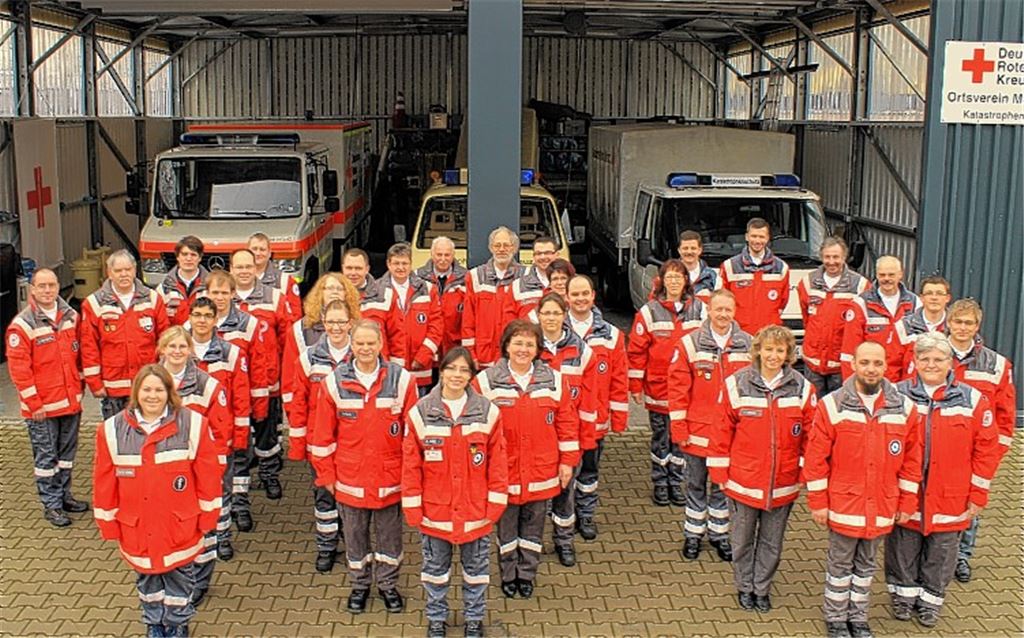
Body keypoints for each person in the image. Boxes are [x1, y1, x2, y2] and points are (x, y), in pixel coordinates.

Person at [93, 364, 223, 638]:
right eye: (146, 389)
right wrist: (107, 523)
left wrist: (208, 517)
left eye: (159, 389)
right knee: (147, 580)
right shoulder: (111, 430)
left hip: (179, 525)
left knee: (180, 579)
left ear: (169, 392)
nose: (152, 396)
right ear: (136, 392)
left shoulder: (193, 424)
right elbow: (104, 482)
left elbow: (208, 476)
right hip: (138, 527)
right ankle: (154, 624)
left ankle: (177, 625)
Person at [804, 341, 923, 638]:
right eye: (865, 362)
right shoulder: (831, 405)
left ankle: (858, 618)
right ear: (854, 364)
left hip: (882, 504)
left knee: (867, 566)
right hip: (844, 503)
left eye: (877, 363)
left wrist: (907, 501)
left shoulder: (904, 408)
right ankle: (835, 618)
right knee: (840, 565)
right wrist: (818, 500)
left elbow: (912, 460)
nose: (871, 369)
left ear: (885, 367)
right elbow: (816, 458)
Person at [887, 333, 999, 627]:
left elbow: (986, 450)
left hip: (952, 492)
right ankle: (902, 596)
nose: (931, 364)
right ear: (915, 361)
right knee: (903, 546)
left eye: (938, 359)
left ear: (951, 363)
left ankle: (930, 601)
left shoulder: (972, 399)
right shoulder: (897, 395)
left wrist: (978, 494)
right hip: (908, 490)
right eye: (924, 358)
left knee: (943, 551)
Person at [310, 320, 418, 614]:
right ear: (351, 344)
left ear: (381, 344)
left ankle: (387, 585)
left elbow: (413, 436)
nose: (366, 349)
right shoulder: (333, 382)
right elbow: (321, 436)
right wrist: (327, 476)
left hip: (389, 478)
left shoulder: (403, 380)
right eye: (360, 343)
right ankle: (359, 585)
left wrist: (410, 478)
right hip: (349, 479)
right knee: (355, 538)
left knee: (389, 539)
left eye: (371, 343)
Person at [708, 325, 815, 612]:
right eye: (768, 349)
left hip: (783, 483)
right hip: (742, 482)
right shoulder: (737, 383)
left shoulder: (803, 388)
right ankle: (744, 586)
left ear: (789, 354)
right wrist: (719, 472)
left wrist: (804, 472)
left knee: (772, 543)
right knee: (741, 541)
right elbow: (720, 432)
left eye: (780, 350)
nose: (773, 355)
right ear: (757, 350)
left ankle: (762, 588)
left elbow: (812, 436)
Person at [403, 347, 508, 638]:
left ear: (471, 376)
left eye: (464, 370)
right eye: (451, 369)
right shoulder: (421, 412)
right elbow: (411, 465)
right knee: (435, 571)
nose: (456, 375)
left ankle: (474, 619)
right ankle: (436, 618)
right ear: (442, 371)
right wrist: (413, 506)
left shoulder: (488, 412)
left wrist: (496, 503)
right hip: (435, 513)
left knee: (476, 572)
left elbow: (498, 462)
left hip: (476, 512)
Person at [475, 320, 579, 601]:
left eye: (529, 344)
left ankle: (527, 574)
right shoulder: (485, 381)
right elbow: (475, 430)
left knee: (533, 527)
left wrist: (567, 462)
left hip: (541, 469)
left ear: (538, 349)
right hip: (503, 471)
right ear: (506, 346)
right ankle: (508, 575)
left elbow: (567, 424)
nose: (523, 349)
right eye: (517, 343)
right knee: (506, 528)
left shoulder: (555, 380)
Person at [667, 289, 751, 562]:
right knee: (695, 483)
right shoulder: (690, 344)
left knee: (722, 485)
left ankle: (719, 534)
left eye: (728, 310)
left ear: (735, 311)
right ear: (709, 311)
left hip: (731, 434)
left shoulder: (748, 344)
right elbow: (678, 389)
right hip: (697, 431)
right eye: (718, 310)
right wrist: (679, 427)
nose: (723, 315)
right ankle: (693, 534)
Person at [6, 268, 88, 527]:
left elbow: (81, 356)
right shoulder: (23, 325)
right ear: (32, 289)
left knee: (65, 456)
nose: (47, 290)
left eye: (51, 285)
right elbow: (19, 371)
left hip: (69, 402)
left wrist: (80, 387)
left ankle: (64, 496)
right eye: (41, 286)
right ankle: (51, 505)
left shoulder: (72, 317)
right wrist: (34, 404)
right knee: (46, 458)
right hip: (42, 408)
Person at [157, 326, 232, 607]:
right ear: (161, 349)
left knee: (202, 525)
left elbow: (220, 428)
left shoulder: (207, 384)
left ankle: (200, 581)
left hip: (196, 468)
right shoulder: (150, 381)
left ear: (190, 351)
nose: (177, 352)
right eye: (171, 347)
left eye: (182, 347)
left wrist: (216, 465)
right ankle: (173, 575)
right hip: (161, 468)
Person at [943, 298, 1017, 583]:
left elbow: (1005, 414)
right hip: (937, 445)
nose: (963, 328)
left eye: (969, 323)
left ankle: (962, 557)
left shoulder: (996, 364)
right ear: (948, 323)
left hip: (976, 451)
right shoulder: (930, 354)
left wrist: (994, 453)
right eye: (958, 322)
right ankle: (935, 556)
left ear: (977, 326)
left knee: (971, 506)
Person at [285, 300, 357, 574]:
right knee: (324, 495)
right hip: (320, 440)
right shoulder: (309, 357)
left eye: (341, 322)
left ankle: (352, 544)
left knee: (350, 496)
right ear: (323, 324)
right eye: (331, 322)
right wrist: (299, 442)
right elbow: (298, 402)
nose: (336, 327)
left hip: (353, 441)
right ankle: (326, 546)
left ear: (350, 322)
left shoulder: (362, 353)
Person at [627, 259, 706, 506]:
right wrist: (636, 385)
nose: (674, 282)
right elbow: (637, 351)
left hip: (688, 390)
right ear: (662, 281)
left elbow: (706, 345)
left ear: (686, 281)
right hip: (658, 387)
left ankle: (676, 482)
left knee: (682, 438)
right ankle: (660, 482)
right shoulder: (649, 311)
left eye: (678, 277)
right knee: (661, 437)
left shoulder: (700, 310)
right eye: (669, 277)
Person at [200, 269, 269, 533]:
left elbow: (258, 366)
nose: (218, 298)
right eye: (214, 292)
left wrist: (258, 405)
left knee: (239, 460)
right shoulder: (192, 325)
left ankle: (240, 506)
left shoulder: (248, 323)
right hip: (205, 412)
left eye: (223, 292)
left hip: (237, 407)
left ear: (233, 294)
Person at [534, 293, 597, 567]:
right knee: (536, 497)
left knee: (565, 490)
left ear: (564, 314)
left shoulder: (582, 350)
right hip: (538, 435)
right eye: (545, 313)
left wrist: (584, 437)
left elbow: (590, 396)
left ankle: (564, 540)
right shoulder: (528, 346)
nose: (550, 318)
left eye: (555, 313)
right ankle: (532, 543)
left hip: (569, 433)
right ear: (538, 316)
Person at [565, 275, 628, 540]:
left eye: (584, 294)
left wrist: (619, 417)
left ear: (593, 296)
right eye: (574, 294)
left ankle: (586, 515)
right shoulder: (552, 331)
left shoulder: (611, 335)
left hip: (595, 418)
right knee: (565, 473)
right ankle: (564, 520)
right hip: (563, 420)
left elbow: (619, 377)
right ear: (566, 297)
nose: (580, 299)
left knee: (589, 470)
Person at [187, 297, 249, 562]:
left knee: (220, 491)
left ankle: (222, 538)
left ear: (215, 320)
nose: (201, 320)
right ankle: (195, 539)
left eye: (207, 316)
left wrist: (240, 434)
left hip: (219, 437)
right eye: (197, 314)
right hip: (185, 438)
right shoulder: (177, 349)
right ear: (189, 317)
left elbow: (241, 396)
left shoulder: (230, 352)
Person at [80, 250, 170, 419]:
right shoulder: (94, 303)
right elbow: (88, 346)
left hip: (146, 383)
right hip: (112, 386)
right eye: (118, 271)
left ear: (135, 270)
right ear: (109, 273)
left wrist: (163, 376)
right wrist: (94, 382)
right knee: (116, 437)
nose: (124, 274)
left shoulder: (152, 299)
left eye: (128, 269)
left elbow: (165, 340)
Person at [230, 249, 289, 501]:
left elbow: (287, 340)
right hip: (233, 385)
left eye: (248, 266)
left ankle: (269, 475)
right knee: (240, 436)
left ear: (256, 267)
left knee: (267, 434)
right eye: (238, 267)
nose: (244, 271)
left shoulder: (274, 297)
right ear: (231, 269)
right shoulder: (221, 297)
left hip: (268, 381)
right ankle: (240, 487)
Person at [797, 237, 871, 396]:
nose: (831, 262)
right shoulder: (807, 283)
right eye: (827, 257)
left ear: (844, 257)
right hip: (813, 363)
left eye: (836, 257)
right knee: (813, 408)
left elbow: (864, 324)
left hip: (841, 365)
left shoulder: (860, 286)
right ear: (821, 257)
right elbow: (807, 318)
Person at [280, 273, 359, 408]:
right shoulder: (301, 329)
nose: (334, 292)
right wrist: (292, 411)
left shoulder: (360, 327)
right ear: (319, 293)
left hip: (352, 409)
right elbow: (290, 375)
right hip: (315, 407)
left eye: (339, 288)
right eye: (329, 288)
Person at [375, 242, 444, 391]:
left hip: (419, 369)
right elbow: (375, 331)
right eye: (396, 263)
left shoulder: (427, 289)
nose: (401, 268)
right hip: (388, 371)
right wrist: (384, 363)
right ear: (388, 264)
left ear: (411, 264)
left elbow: (436, 327)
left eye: (404, 263)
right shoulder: (376, 291)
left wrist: (422, 357)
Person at [840, 256, 920, 382]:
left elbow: (919, 349)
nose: (886, 279)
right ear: (876, 275)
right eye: (882, 275)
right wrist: (852, 387)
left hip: (904, 381)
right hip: (871, 379)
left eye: (891, 275)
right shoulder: (861, 304)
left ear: (900, 275)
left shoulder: (915, 304)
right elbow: (849, 351)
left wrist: (911, 385)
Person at [462, 227, 525, 368]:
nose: (501, 249)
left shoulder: (526, 276)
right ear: (491, 248)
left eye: (506, 245)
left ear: (514, 248)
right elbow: (468, 320)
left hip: (516, 356)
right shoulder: (475, 276)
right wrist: (470, 353)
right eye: (497, 245)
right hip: (484, 356)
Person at [719, 218, 790, 334]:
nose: (757, 241)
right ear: (747, 237)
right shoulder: (730, 266)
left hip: (769, 335)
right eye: (754, 236)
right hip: (738, 334)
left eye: (761, 237)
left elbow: (783, 301)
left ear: (767, 238)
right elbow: (722, 301)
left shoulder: (781, 268)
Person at [415, 236, 469, 361]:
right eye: (439, 255)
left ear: (453, 255)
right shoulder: (417, 279)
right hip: (426, 348)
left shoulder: (467, 278)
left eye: (447, 255)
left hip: (455, 347)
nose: (443, 259)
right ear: (432, 254)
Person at [894, 276, 952, 379]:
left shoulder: (955, 328)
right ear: (921, 298)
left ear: (947, 298)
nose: (934, 298)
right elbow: (892, 365)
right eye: (929, 293)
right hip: (909, 391)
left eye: (939, 293)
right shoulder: (904, 326)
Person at [248, 232, 302, 323]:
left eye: (262, 249)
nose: (258, 253)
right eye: (254, 249)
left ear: (269, 253)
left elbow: (295, 316)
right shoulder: (236, 280)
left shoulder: (285, 281)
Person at [159, 236, 209, 326]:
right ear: (177, 257)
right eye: (184, 254)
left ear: (200, 258)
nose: (188, 259)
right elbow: (160, 322)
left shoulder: (210, 286)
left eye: (193, 255)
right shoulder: (164, 288)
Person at [511, 235, 559, 317]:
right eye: (538, 253)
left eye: (547, 253)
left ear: (557, 254)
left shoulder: (569, 283)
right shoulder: (517, 286)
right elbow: (509, 321)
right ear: (533, 256)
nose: (543, 257)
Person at [677, 230, 720, 303]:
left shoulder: (712, 276)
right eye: (685, 248)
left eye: (693, 248)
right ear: (679, 250)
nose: (689, 252)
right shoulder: (668, 275)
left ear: (700, 250)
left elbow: (719, 302)